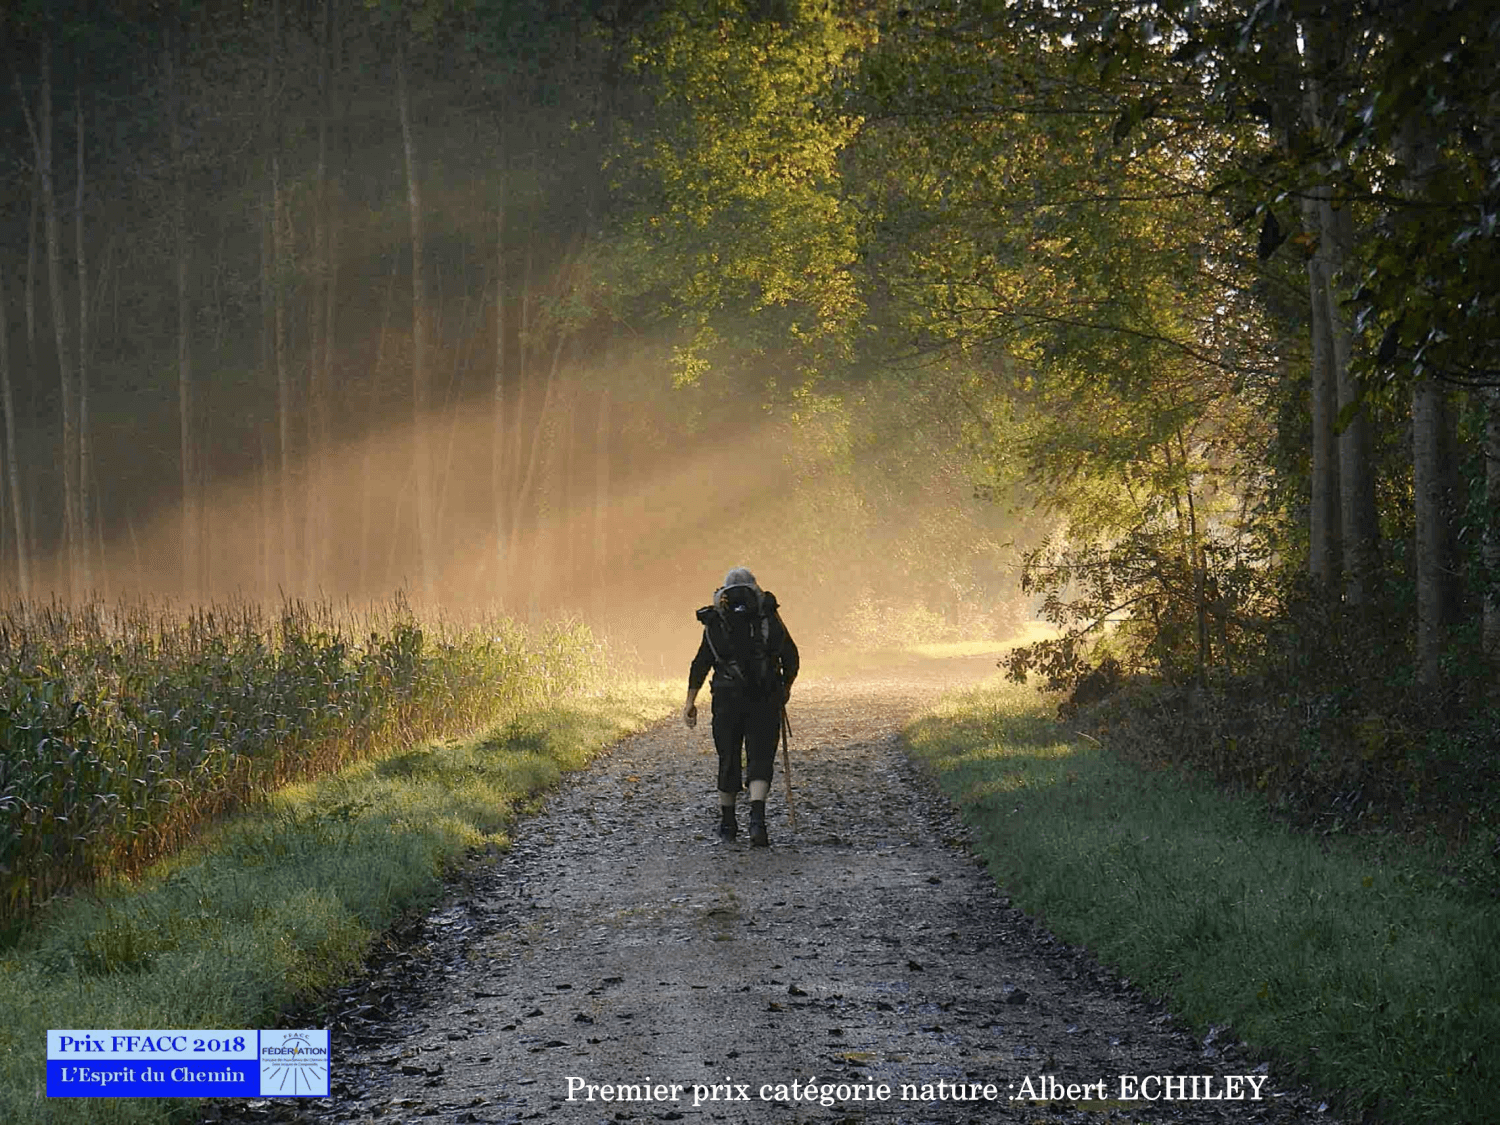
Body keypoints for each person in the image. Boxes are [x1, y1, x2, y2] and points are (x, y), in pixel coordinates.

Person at [683, 566, 799, 846]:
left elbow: (700, 664)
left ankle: (728, 825)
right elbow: (791, 657)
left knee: (729, 757)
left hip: (726, 700)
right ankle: (757, 822)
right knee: (760, 758)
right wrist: (784, 688)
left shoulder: (716, 621)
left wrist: (689, 702)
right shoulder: (767, 615)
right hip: (765, 697)